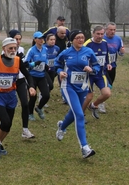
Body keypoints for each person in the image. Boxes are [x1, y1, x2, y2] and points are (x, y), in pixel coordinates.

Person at [0, 38, 37, 159]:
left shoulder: (18, 60)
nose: (13, 50)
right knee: (5, 121)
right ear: (3, 49)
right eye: (10, 48)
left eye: (15, 48)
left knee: (8, 124)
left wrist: (31, 86)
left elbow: (27, 74)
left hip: (11, 96)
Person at [54, 29, 100, 159]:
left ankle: (62, 127)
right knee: (79, 114)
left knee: (73, 113)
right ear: (72, 40)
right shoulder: (66, 53)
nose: (80, 40)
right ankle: (85, 148)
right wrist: (59, 72)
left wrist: (91, 69)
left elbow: (97, 67)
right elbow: (56, 64)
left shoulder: (89, 52)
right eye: (77, 38)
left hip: (83, 87)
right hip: (68, 86)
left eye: (82, 37)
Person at [7, 29, 36, 139]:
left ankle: (25, 130)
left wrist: (30, 64)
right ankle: (5, 123)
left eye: (20, 39)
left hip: (21, 80)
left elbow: (23, 65)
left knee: (25, 104)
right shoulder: (6, 50)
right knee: (10, 105)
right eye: (16, 39)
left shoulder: (22, 49)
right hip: (10, 81)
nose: (18, 41)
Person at [82, 25, 112, 119]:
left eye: (102, 34)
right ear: (93, 33)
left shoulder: (105, 43)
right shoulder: (87, 44)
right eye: (98, 34)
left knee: (107, 94)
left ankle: (93, 105)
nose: (100, 36)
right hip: (88, 75)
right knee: (89, 97)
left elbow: (106, 56)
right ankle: (81, 115)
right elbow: (80, 58)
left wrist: (108, 64)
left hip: (100, 74)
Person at [24, 31, 50, 120]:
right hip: (32, 76)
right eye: (39, 38)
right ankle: (30, 113)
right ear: (35, 40)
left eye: (42, 38)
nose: (41, 40)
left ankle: (39, 108)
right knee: (33, 97)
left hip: (42, 76)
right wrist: (34, 64)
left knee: (46, 95)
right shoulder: (31, 50)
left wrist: (46, 66)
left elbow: (46, 60)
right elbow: (25, 63)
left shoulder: (45, 49)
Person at [103, 22, 125, 113]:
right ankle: (100, 104)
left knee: (110, 85)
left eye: (114, 30)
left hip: (113, 65)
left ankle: (101, 100)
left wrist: (122, 52)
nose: (112, 31)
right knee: (106, 85)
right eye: (110, 30)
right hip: (103, 66)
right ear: (106, 30)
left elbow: (120, 53)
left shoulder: (118, 39)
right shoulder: (102, 38)